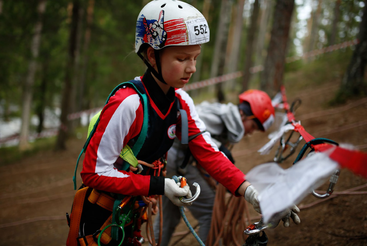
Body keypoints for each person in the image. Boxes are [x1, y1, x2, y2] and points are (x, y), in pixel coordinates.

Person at [66, 1, 300, 245]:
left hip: (129, 216)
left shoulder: (180, 103)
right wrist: (159, 185)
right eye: (182, 58)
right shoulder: (128, 104)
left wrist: (252, 193)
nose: (192, 68)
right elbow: (93, 172)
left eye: (196, 58)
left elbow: (209, 154)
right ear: (151, 55)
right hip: (99, 220)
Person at [153, 89, 280, 245]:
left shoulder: (223, 114)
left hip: (171, 162)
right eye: (253, 126)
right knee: (210, 210)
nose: (251, 132)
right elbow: (197, 136)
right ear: (245, 115)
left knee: (169, 216)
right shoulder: (217, 118)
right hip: (176, 164)